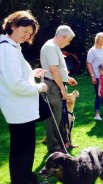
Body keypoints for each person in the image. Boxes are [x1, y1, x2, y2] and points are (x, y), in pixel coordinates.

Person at [0, 10, 48, 184]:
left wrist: (32, 73)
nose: (27, 36)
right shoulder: (7, 49)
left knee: (27, 150)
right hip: (18, 109)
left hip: (23, 109)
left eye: (30, 33)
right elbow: (15, 85)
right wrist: (40, 87)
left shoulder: (12, 46)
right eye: (24, 30)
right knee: (20, 153)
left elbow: (17, 77)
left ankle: (30, 181)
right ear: (13, 26)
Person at [40, 25, 78, 153]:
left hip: (56, 83)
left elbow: (58, 69)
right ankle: (54, 147)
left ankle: (64, 143)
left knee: (61, 116)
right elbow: (53, 70)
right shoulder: (50, 47)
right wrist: (62, 88)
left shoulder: (54, 46)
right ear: (63, 37)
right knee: (54, 118)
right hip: (52, 86)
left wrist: (67, 78)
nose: (68, 43)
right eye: (68, 40)